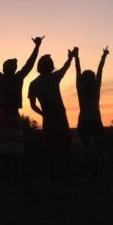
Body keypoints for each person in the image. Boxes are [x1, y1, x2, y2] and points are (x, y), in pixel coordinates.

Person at [0, 32, 44, 188]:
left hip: (5, 116)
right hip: (12, 115)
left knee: (6, 152)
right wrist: (37, 46)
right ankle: (14, 181)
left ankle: (9, 181)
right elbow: (29, 63)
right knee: (15, 152)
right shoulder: (17, 77)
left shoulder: (0, 77)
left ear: (6, 68)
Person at [28, 49, 76, 183]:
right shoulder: (54, 78)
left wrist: (43, 114)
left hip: (48, 118)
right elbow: (65, 67)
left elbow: (32, 105)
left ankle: (53, 178)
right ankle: (68, 177)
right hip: (60, 115)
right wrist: (71, 57)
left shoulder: (33, 84)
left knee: (50, 149)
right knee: (65, 147)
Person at [74, 46, 110, 176]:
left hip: (84, 121)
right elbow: (100, 71)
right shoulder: (96, 89)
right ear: (93, 78)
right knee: (100, 149)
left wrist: (76, 57)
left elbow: (77, 71)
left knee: (86, 151)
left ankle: (89, 174)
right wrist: (103, 56)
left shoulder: (80, 89)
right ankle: (104, 173)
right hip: (95, 121)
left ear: (82, 80)